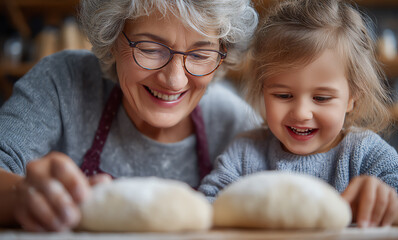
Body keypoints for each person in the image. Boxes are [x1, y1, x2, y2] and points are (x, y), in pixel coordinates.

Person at [0, 0, 258, 232]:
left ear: (223, 55)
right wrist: (21, 196)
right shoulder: (62, 83)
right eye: (150, 48)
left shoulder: (235, 123)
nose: (174, 80)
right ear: (112, 38)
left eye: (200, 55)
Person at [199, 0, 398, 228]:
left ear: (352, 98)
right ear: (263, 90)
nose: (301, 113)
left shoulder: (364, 152)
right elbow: (207, 206)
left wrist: (389, 206)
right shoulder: (245, 153)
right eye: (283, 95)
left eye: (321, 98)